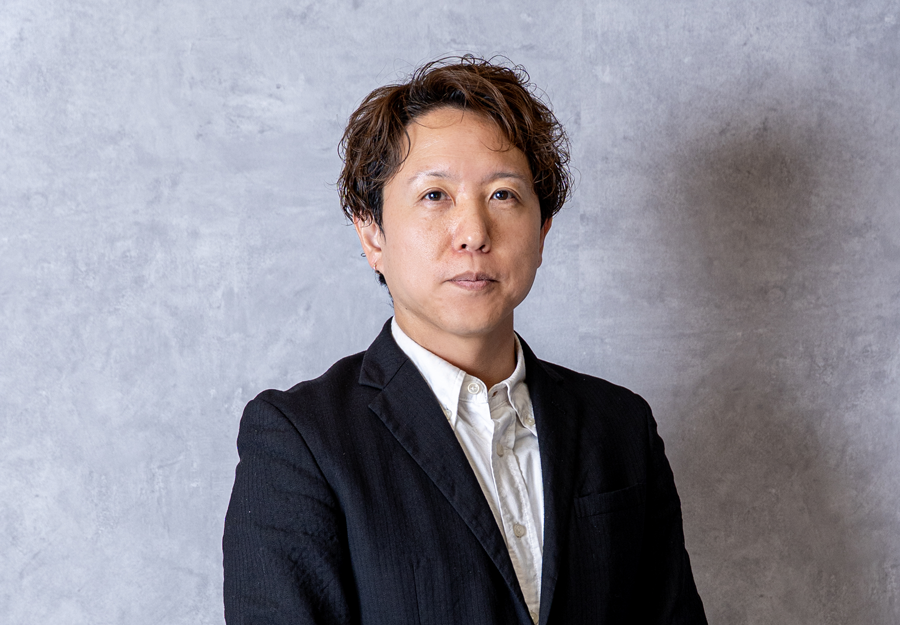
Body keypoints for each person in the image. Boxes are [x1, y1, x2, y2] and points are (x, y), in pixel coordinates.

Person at [223, 56, 707, 625]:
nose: (474, 233)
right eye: (435, 195)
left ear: (543, 230)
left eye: (503, 195)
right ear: (372, 233)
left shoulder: (620, 425)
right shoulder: (301, 440)